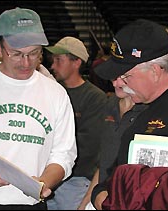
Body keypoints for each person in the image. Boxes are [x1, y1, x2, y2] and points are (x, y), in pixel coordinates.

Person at [0, 7, 77, 210]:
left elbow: (64, 154)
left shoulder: (56, 93)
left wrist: (44, 182)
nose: (26, 62)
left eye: (34, 53)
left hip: (29, 204)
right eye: (17, 54)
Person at [91, 19, 168, 210]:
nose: (117, 84)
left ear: (154, 71)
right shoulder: (141, 111)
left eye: (125, 76)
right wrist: (101, 197)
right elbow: (110, 180)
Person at [45, 36, 107, 210]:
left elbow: (89, 146)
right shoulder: (52, 93)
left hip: (75, 181)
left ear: (76, 62)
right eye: (53, 60)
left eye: (59, 60)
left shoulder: (95, 98)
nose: (53, 66)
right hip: (48, 178)